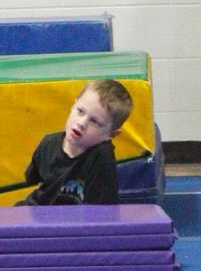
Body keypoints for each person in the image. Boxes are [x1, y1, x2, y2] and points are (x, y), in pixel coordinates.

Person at [23, 79, 134, 207]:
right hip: (37, 211)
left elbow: (103, 214)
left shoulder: (101, 156)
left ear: (111, 134)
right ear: (73, 105)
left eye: (94, 121)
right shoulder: (48, 143)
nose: (81, 123)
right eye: (80, 111)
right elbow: (32, 178)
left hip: (72, 221)